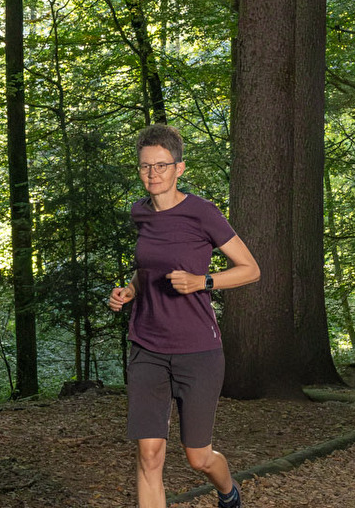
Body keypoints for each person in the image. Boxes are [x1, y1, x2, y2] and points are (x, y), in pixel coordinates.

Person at [108, 124, 260, 508]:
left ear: (180, 168)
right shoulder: (140, 213)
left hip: (198, 351)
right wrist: (131, 290)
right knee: (149, 455)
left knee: (198, 457)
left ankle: (228, 492)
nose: (152, 174)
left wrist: (203, 281)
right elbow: (146, 269)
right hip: (147, 346)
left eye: (161, 166)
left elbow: (250, 269)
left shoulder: (202, 213)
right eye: (145, 167)